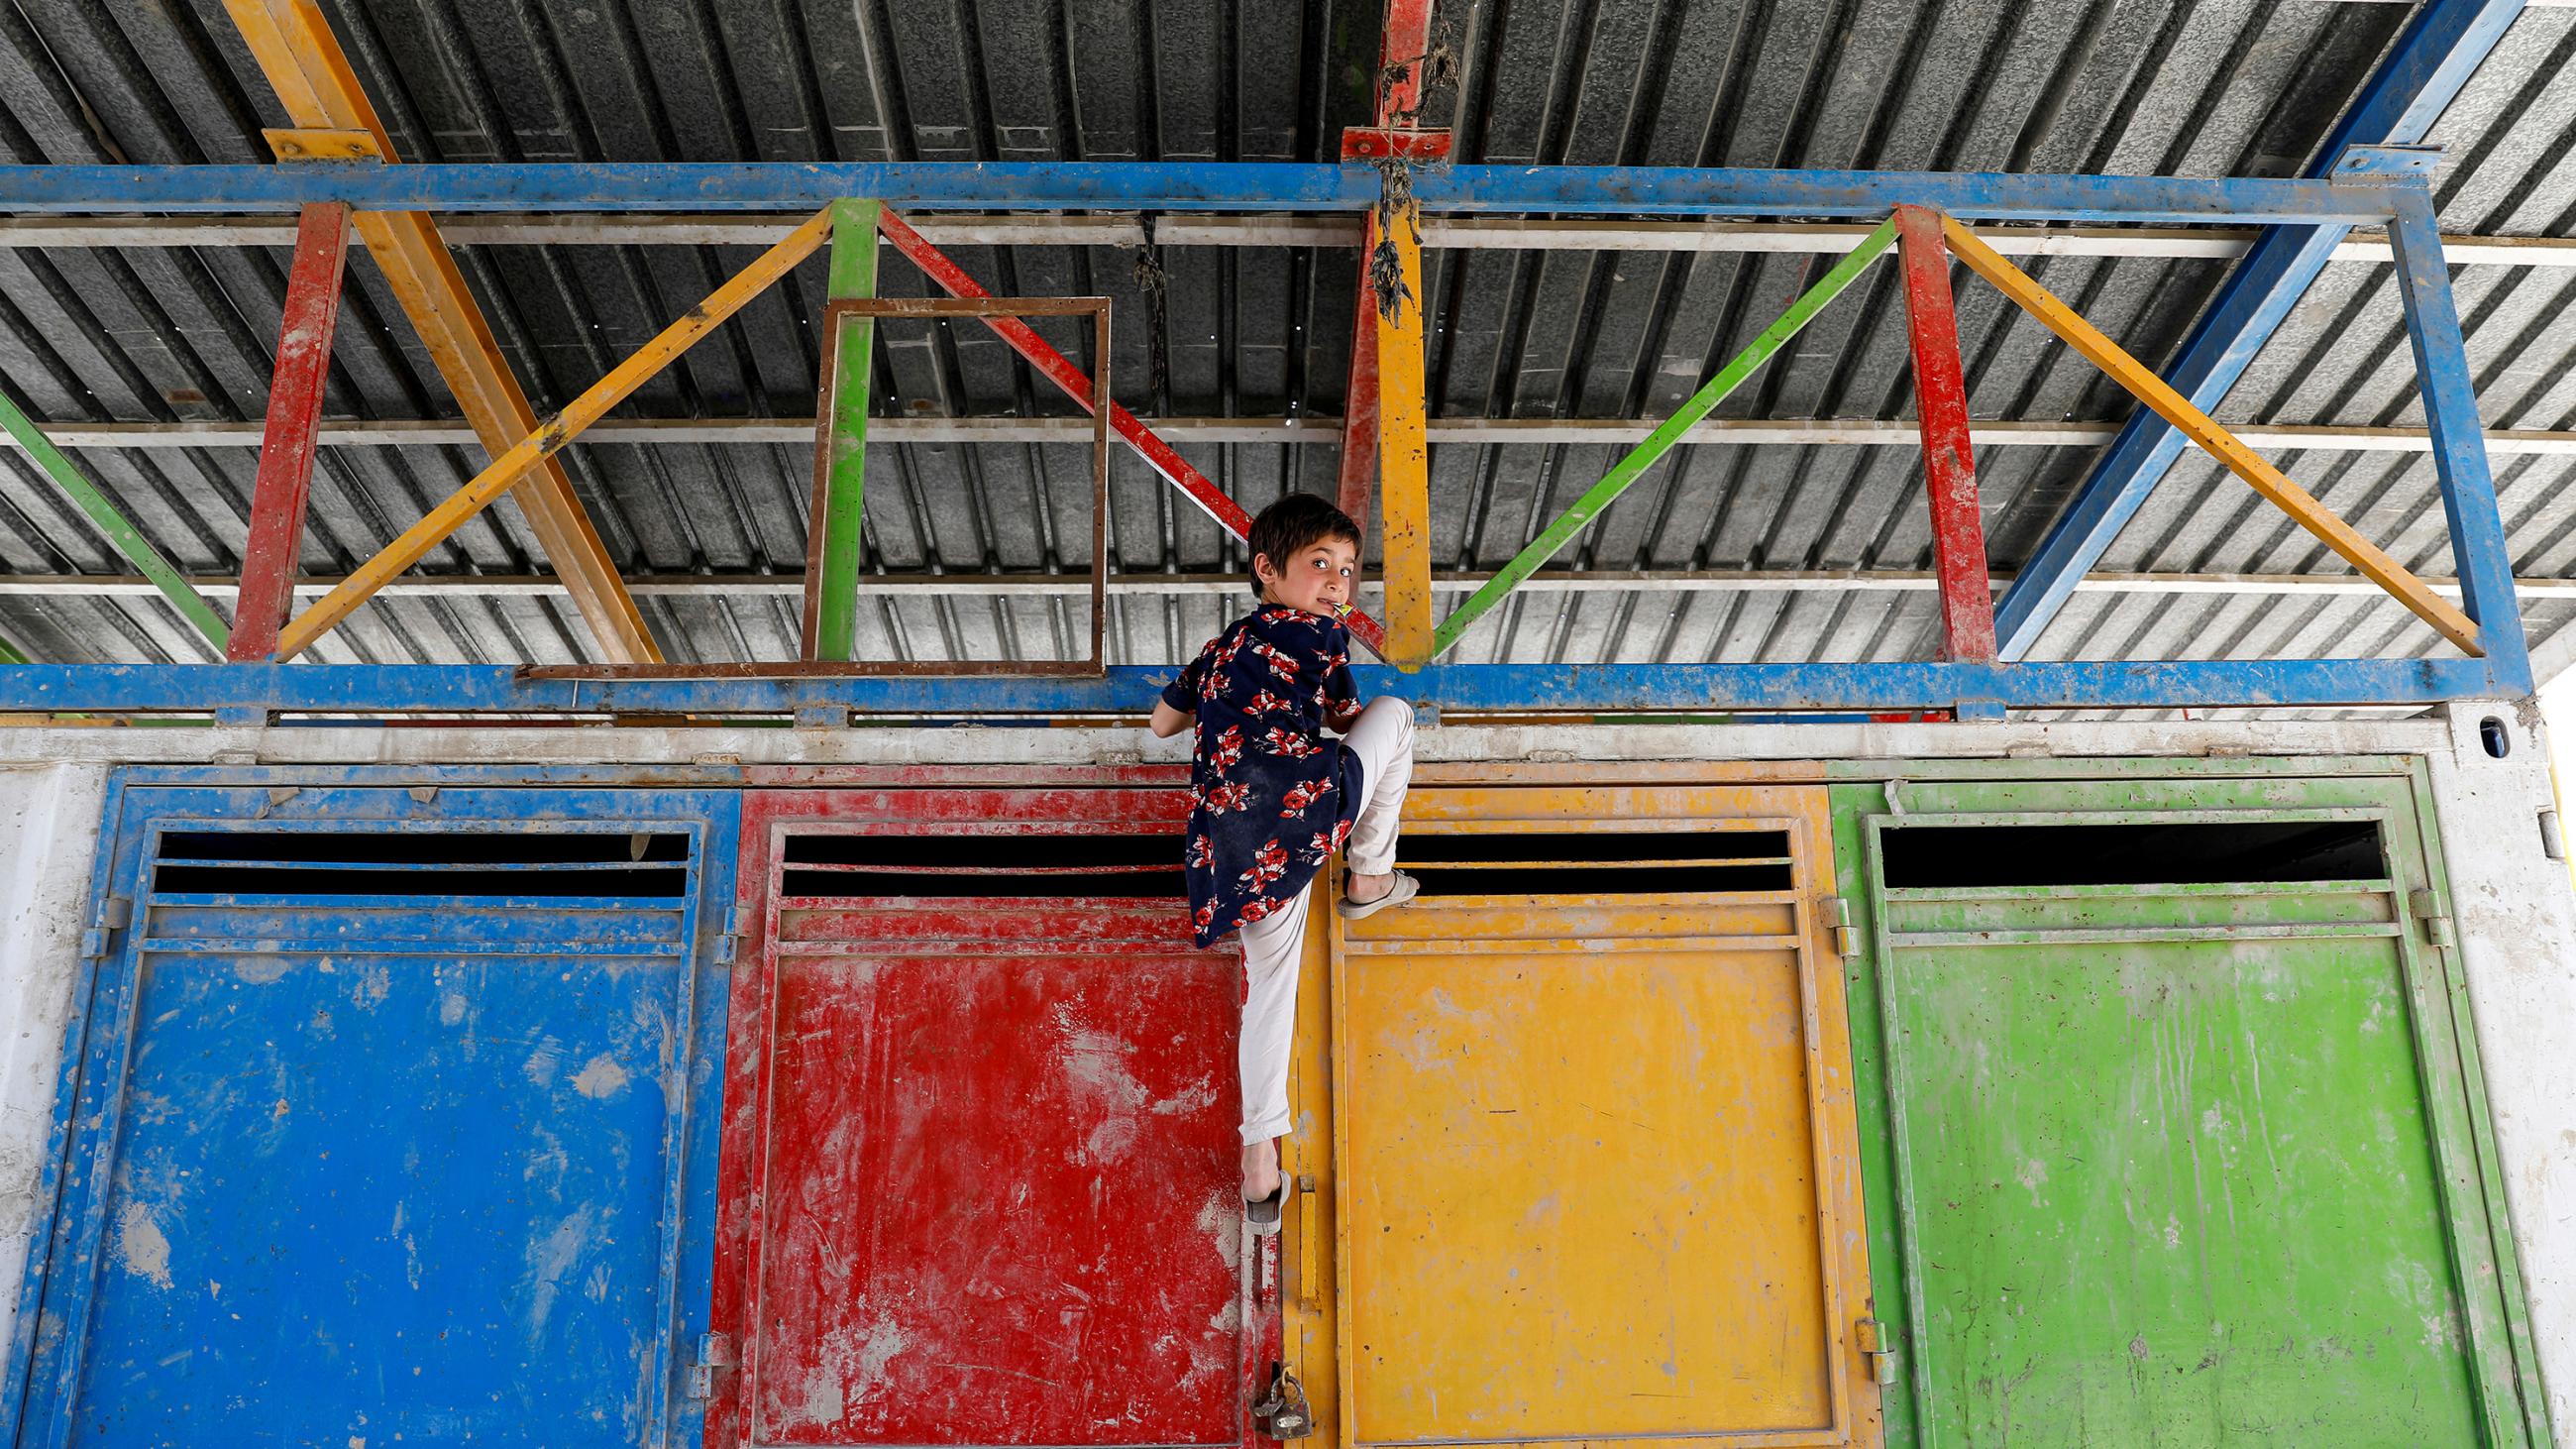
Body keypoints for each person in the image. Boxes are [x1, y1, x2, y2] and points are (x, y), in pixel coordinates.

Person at [1149, 493, 1419, 1234]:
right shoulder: (1319, 635)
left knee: (1270, 992)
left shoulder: (1221, 647)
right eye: (1320, 565)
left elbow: (1160, 722)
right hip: (1293, 817)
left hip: (1226, 840)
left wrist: (1225, 699)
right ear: (1268, 570)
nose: (1338, 584)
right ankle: (1369, 874)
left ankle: (1261, 1166)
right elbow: (1346, 717)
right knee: (1395, 715)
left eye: (1347, 570)